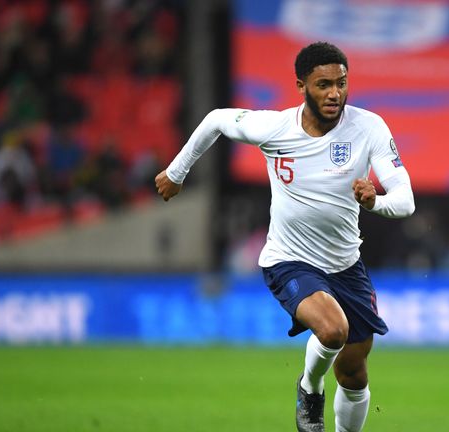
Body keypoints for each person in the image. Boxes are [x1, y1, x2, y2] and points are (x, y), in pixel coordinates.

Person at [155, 42, 415, 432]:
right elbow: (215, 120)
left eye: (341, 83)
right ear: (301, 85)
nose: (334, 93)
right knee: (332, 330)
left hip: (346, 266)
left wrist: (375, 200)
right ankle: (309, 387)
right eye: (324, 84)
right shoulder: (275, 129)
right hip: (288, 260)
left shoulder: (368, 127)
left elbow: (406, 200)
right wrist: (177, 172)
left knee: (355, 372)